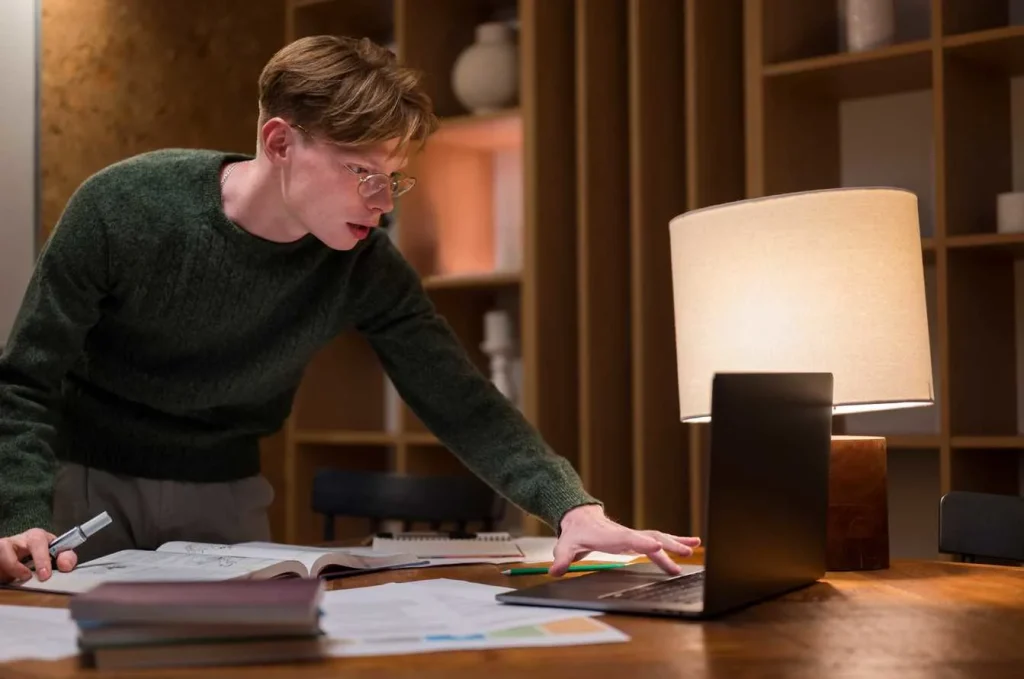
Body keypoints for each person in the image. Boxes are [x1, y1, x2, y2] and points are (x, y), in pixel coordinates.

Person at [0, 35, 699, 585]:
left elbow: (462, 401)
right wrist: (20, 514)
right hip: (81, 480)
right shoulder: (124, 208)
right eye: (363, 172)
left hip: (227, 489)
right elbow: (28, 380)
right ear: (280, 142)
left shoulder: (366, 265)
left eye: (395, 178)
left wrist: (572, 506)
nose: (384, 201)